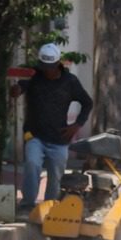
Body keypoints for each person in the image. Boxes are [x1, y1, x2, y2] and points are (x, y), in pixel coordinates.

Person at [10, 43, 93, 207]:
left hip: (59, 137)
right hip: (35, 135)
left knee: (56, 173)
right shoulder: (35, 76)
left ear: (57, 65)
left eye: (50, 67)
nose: (46, 71)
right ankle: (28, 203)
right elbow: (21, 87)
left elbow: (87, 103)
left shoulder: (70, 82)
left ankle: (51, 205)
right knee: (33, 164)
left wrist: (76, 125)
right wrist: (16, 90)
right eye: (44, 67)